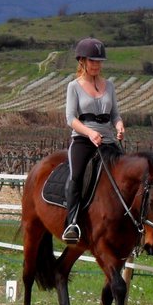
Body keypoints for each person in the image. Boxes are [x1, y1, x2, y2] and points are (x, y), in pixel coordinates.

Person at [62, 37, 125, 243]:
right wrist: (89, 133)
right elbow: (71, 118)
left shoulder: (110, 85)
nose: (97, 65)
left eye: (99, 61)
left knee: (126, 176)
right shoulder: (74, 86)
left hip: (108, 141)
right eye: (92, 61)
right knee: (77, 176)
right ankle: (72, 223)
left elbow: (115, 114)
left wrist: (118, 126)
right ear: (82, 61)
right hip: (83, 140)